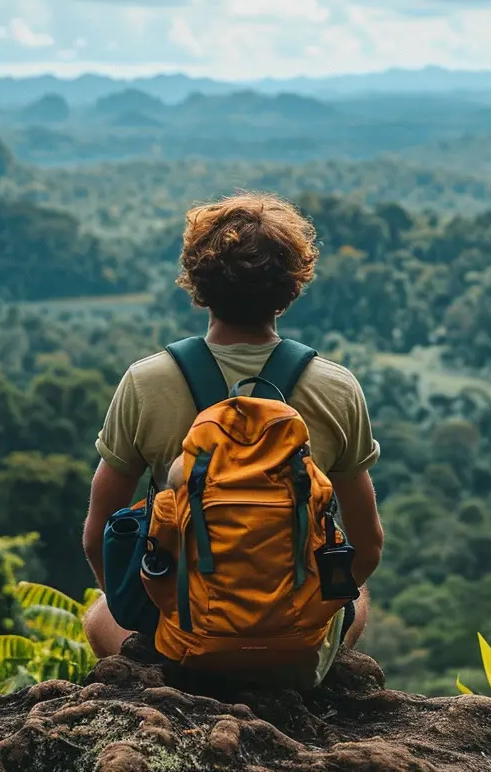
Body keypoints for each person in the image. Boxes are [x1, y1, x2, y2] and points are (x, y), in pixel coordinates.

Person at [81, 191, 384, 676]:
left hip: (179, 642)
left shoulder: (147, 382)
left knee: (98, 613)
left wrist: (152, 612)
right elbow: (367, 546)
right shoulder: (336, 387)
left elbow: (99, 534)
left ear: (197, 283)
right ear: (291, 288)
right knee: (358, 594)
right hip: (294, 648)